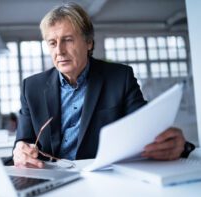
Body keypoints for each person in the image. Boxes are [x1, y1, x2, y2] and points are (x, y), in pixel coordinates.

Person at [13, 2, 194, 168]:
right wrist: (20, 151)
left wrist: (178, 145)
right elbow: (24, 140)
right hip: (50, 177)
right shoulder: (32, 87)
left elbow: (147, 128)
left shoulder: (119, 78)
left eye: (68, 40)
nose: (59, 50)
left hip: (103, 175)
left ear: (88, 42)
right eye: (52, 43)